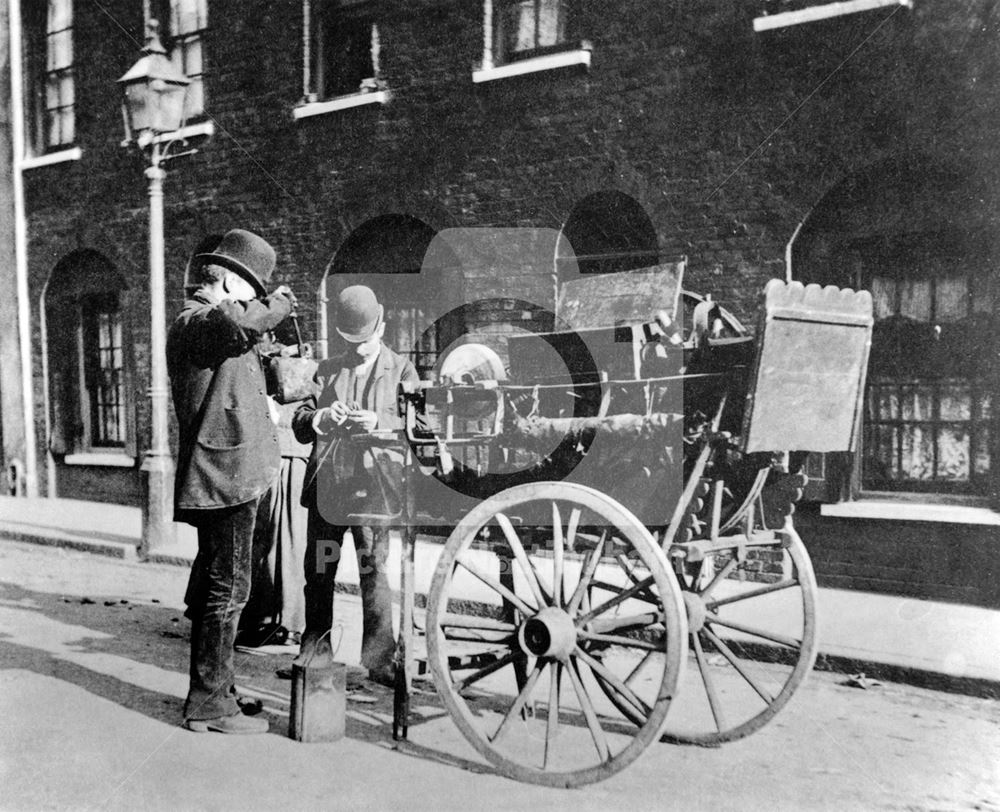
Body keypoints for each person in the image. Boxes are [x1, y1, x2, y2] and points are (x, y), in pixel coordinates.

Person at [168, 228, 294, 734]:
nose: (254, 302)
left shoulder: (217, 326)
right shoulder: (197, 321)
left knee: (218, 586)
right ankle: (208, 703)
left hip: (235, 473)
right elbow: (239, 324)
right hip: (225, 477)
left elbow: (244, 348)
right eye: (250, 293)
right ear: (226, 285)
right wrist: (278, 305)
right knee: (228, 590)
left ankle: (218, 688)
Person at [292, 285, 418, 686]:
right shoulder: (327, 370)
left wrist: (382, 425)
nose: (361, 348)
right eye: (353, 342)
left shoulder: (402, 370)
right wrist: (323, 417)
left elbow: (422, 430)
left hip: (373, 490)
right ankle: (315, 651)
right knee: (321, 571)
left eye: (367, 340)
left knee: (372, 573)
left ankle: (380, 662)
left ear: (382, 326)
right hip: (330, 489)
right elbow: (299, 418)